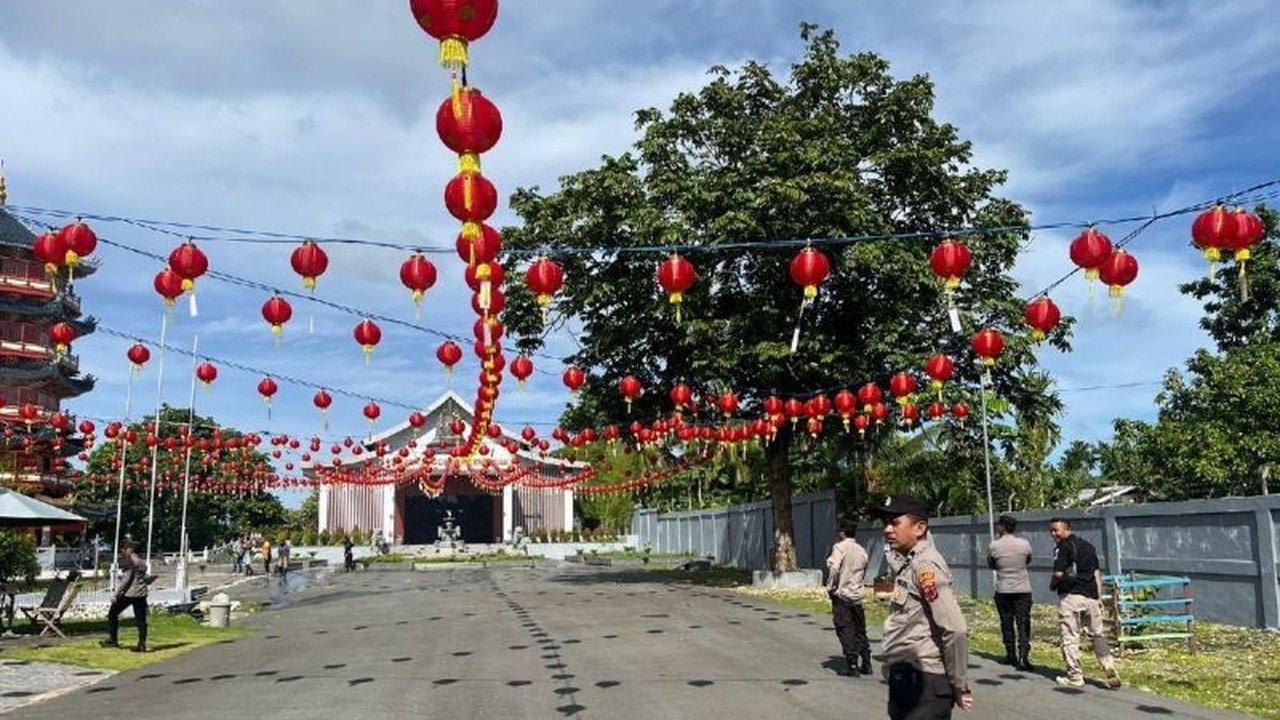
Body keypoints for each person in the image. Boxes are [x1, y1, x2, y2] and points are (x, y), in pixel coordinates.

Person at [871, 495, 972, 719]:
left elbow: (955, 628)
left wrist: (958, 682)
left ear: (919, 528)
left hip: (925, 684)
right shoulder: (909, 562)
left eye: (895, 523)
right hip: (906, 679)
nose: (887, 530)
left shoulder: (926, 566)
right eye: (884, 523)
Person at [1049, 518, 1122, 689]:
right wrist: (1099, 597)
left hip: (1071, 597)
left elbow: (1059, 573)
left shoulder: (1062, 547)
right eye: (1051, 530)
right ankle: (1108, 665)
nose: (1053, 534)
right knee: (1097, 634)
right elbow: (1096, 573)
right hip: (1090, 597)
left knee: (1070, 636)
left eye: (1056, 530)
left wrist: (1053, 584)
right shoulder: (1088, 547)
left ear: (1067, 529)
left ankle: (1075, 676)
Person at [988, 514, 1034, 670]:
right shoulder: (1024, 544)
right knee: (1023, 622)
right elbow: (1028, 560)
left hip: (1003, 589)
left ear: (1001, 527)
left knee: (1007, 623)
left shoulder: (994, 546)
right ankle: (1024, 656)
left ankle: (1010, 655)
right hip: (1023, 589)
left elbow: (991, 564)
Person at [826, 518, 871, 676]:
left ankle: (852, 664)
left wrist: (830, 586)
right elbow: (863, 571)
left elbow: (834, 569)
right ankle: (866, 661)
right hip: (857, 595)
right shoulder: (861, 550)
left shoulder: (839, 548)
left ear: (842, 533)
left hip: (842, 595)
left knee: (845, 628)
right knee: (860, 629)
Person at [100, 541, 150, 653]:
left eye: (126, 548)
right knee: (141, 619)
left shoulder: (130, 562)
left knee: (112, 613)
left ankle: (113, 640)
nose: (125, 550)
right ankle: (142, 644)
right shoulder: (142, 562)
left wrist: (115, 594)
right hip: (141, 593)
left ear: (131, 550)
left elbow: (126, 579)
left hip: (129, 593)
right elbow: (144, 578)